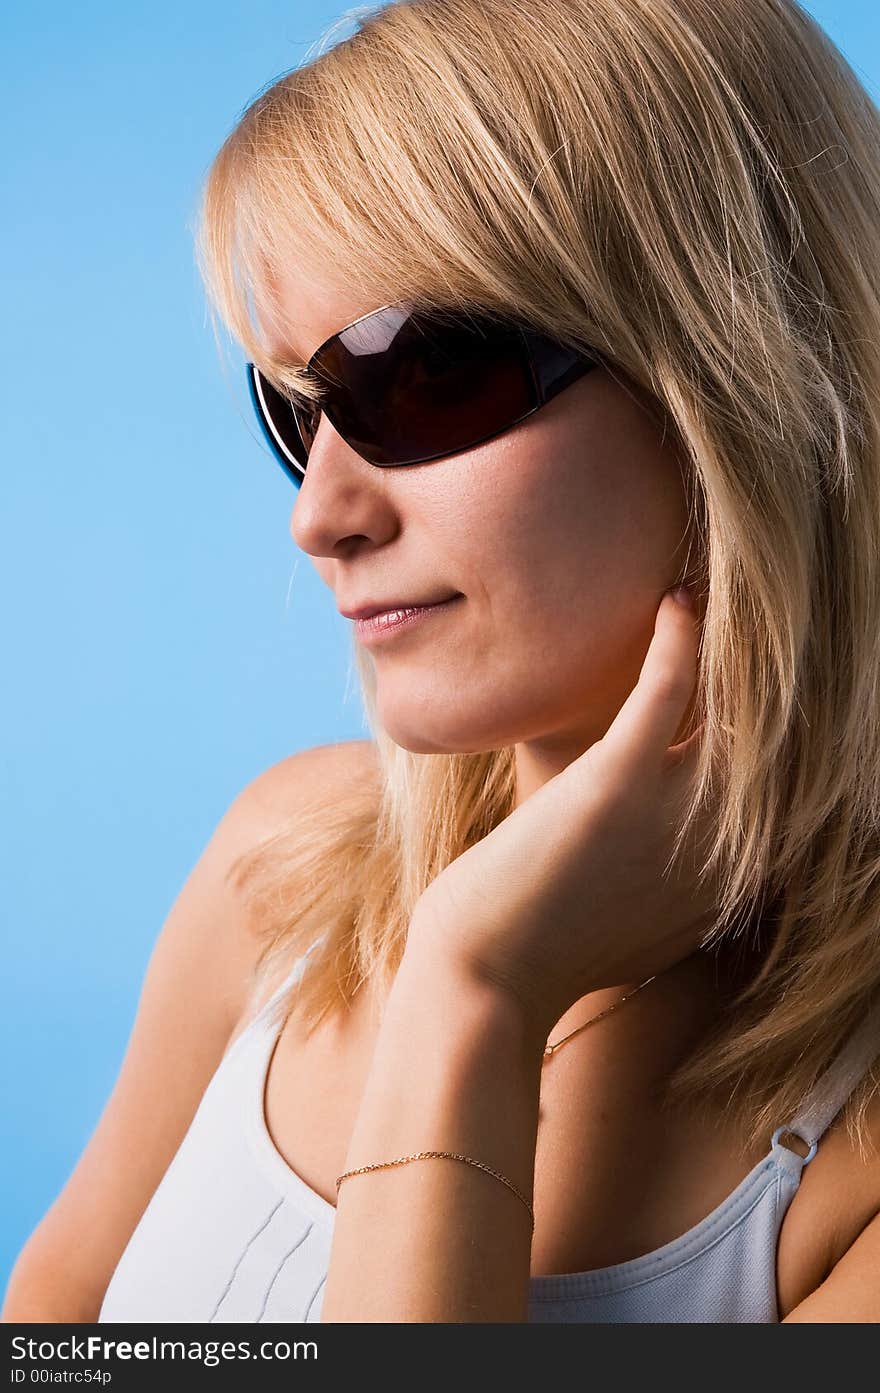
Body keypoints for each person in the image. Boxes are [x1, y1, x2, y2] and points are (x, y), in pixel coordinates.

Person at [4, 0, 880, 1324]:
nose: (321, 512)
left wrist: (476, 985)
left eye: (420, 377)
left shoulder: (850, 1152)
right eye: (296, 403)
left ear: (735, 379)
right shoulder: (283, 875)